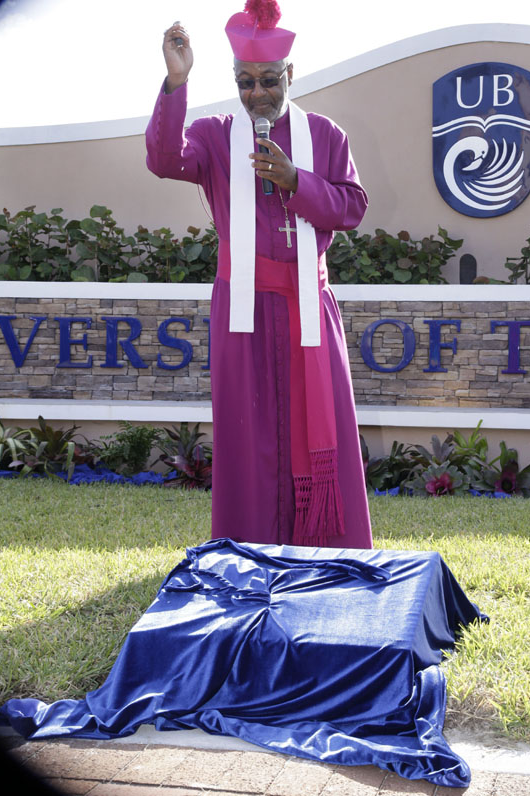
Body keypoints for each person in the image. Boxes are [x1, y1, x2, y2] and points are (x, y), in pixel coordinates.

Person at [146, 1, 372, 549]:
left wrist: (297, 180)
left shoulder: (325, 135)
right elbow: (163, 159)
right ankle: (248, 547)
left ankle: (325, 546)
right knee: (247, 436)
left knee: (319, 431)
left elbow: (352, 207)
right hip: (242, 308)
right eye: (245, 83)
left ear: (289, 75)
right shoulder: (216, 135)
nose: (257, 95)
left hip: (307, 310)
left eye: (269, 81)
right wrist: (177, 82)